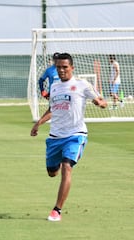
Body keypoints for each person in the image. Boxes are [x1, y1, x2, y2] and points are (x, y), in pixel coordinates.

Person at [30, 53, 107, 221]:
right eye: (58, 67)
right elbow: (52, 109)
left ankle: (56, 210)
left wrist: (99, 103)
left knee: (67, 167)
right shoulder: (55, 86)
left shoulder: (81, 84)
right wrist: (38, 123)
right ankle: (56, 165)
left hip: (75, 135)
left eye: (65, 67)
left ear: (72, 67)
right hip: (55, 137)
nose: (61, 70)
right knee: (52, 172)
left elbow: (100, 99)